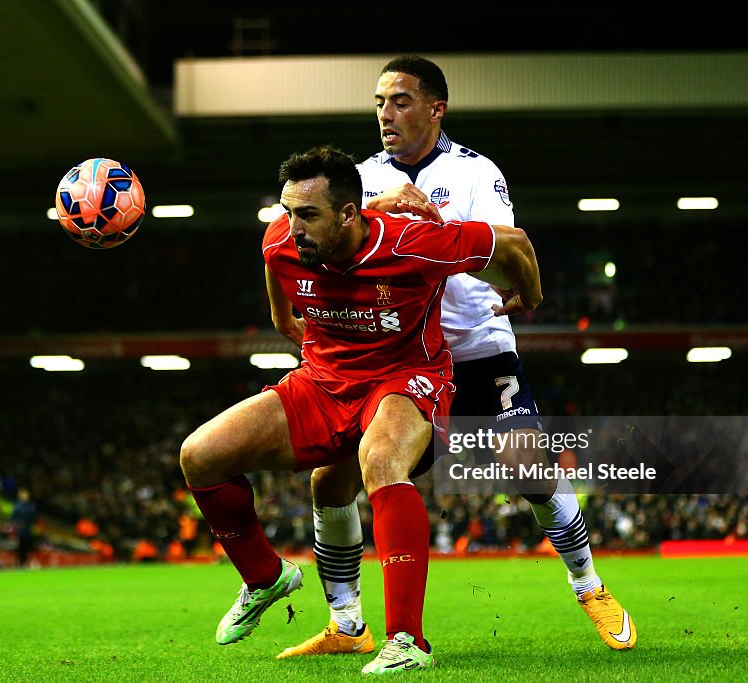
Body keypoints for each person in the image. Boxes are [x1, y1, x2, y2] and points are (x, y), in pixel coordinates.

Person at [279, 55, 636, 659]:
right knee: (331, 481)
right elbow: (316, 246)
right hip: (388, 360)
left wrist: (438, 226)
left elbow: (500, 247)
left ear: (435, 108)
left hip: (472, 349)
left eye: (400, 101)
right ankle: (345, 624)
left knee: (532, 468)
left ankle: (589, 584)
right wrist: (378, 209)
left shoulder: (477, 172)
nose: (385, 114)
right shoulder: (359, 179)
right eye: (379, 103)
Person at [180, 144, 542, 674]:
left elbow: (513, 242)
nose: (293, 227)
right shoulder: (282, 239)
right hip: (323, 382)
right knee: (199, 456)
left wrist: (527, 299)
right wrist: (287, 322)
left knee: (381, 460)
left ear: (349, 215)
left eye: (308, 215)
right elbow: (275, 275)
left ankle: (407, 640)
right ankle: (265, 578)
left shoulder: (413, 243)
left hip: (405, 378)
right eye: (288, 212)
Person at [11, 488, 38, 568]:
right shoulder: (17, 506)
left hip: (30, 530)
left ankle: (30, 562)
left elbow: (35, 518)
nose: (24, 496)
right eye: (22, 494)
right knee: (21, 547)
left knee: (30, 547)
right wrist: (16, 525)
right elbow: (13, 518)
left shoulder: (32, 506)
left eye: (25, 494)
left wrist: (35, 527)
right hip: (20, 531)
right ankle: (21, 563)